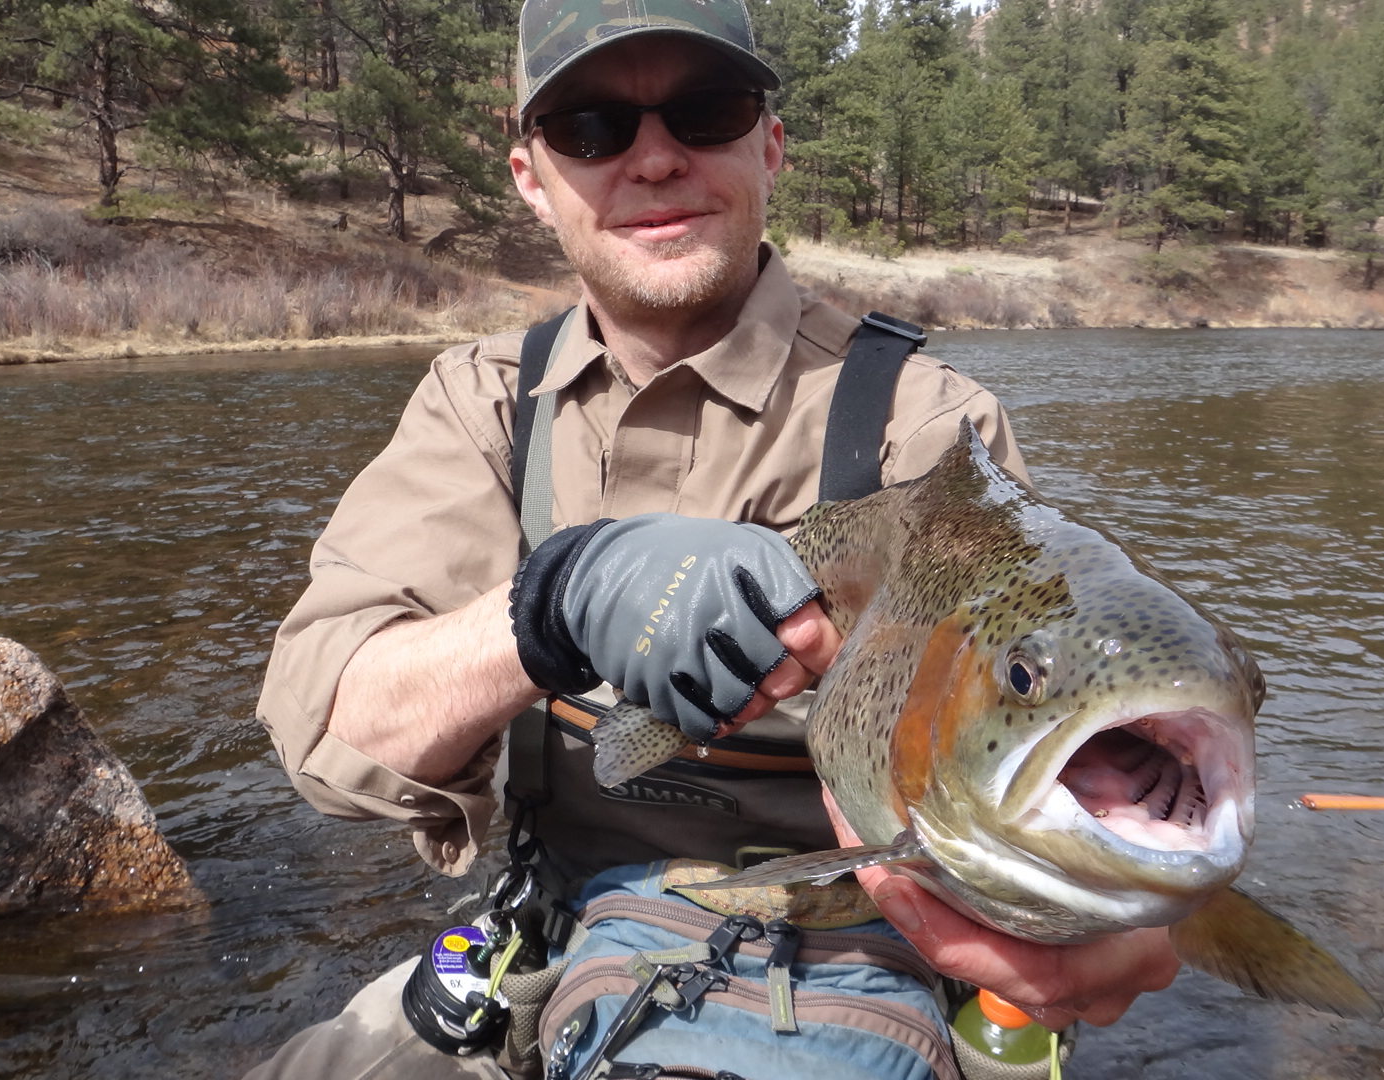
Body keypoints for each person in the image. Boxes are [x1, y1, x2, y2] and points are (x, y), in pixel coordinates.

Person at [246, 2, 1179, 1076]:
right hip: (557, 934)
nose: (653, 159)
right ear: (529, 176)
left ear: (768, 146)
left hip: (861, 945)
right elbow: (335, 729)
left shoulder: (924, 426)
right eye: (592, 127)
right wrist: (549, 606)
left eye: (705, 111)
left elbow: (1046, 708)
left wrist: (1120, 893)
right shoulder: (481, 404)